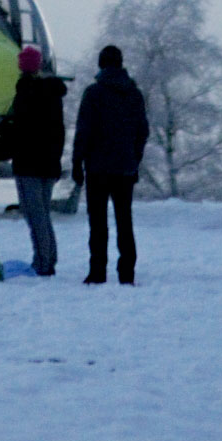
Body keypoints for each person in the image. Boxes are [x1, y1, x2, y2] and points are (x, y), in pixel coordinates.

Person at [73, 45, 149, 285]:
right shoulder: (134, 94)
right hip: (125, 168)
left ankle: (97, 272)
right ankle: (127, 272)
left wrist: (77, 162)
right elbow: (142, 132)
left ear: (100, 64)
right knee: (124, 221)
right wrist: (134, 159)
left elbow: (83, 131)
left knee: (98, 223)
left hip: (97, 168)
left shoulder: (93, 94)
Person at [7, 44, 67, 276]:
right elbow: (58, 131)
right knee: (43, 214)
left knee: (34, 215)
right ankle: (48, 258)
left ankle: (42, 261)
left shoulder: (24, 93)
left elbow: (19, 130)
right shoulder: (53, 94)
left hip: (27, 162)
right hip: (49, 163)